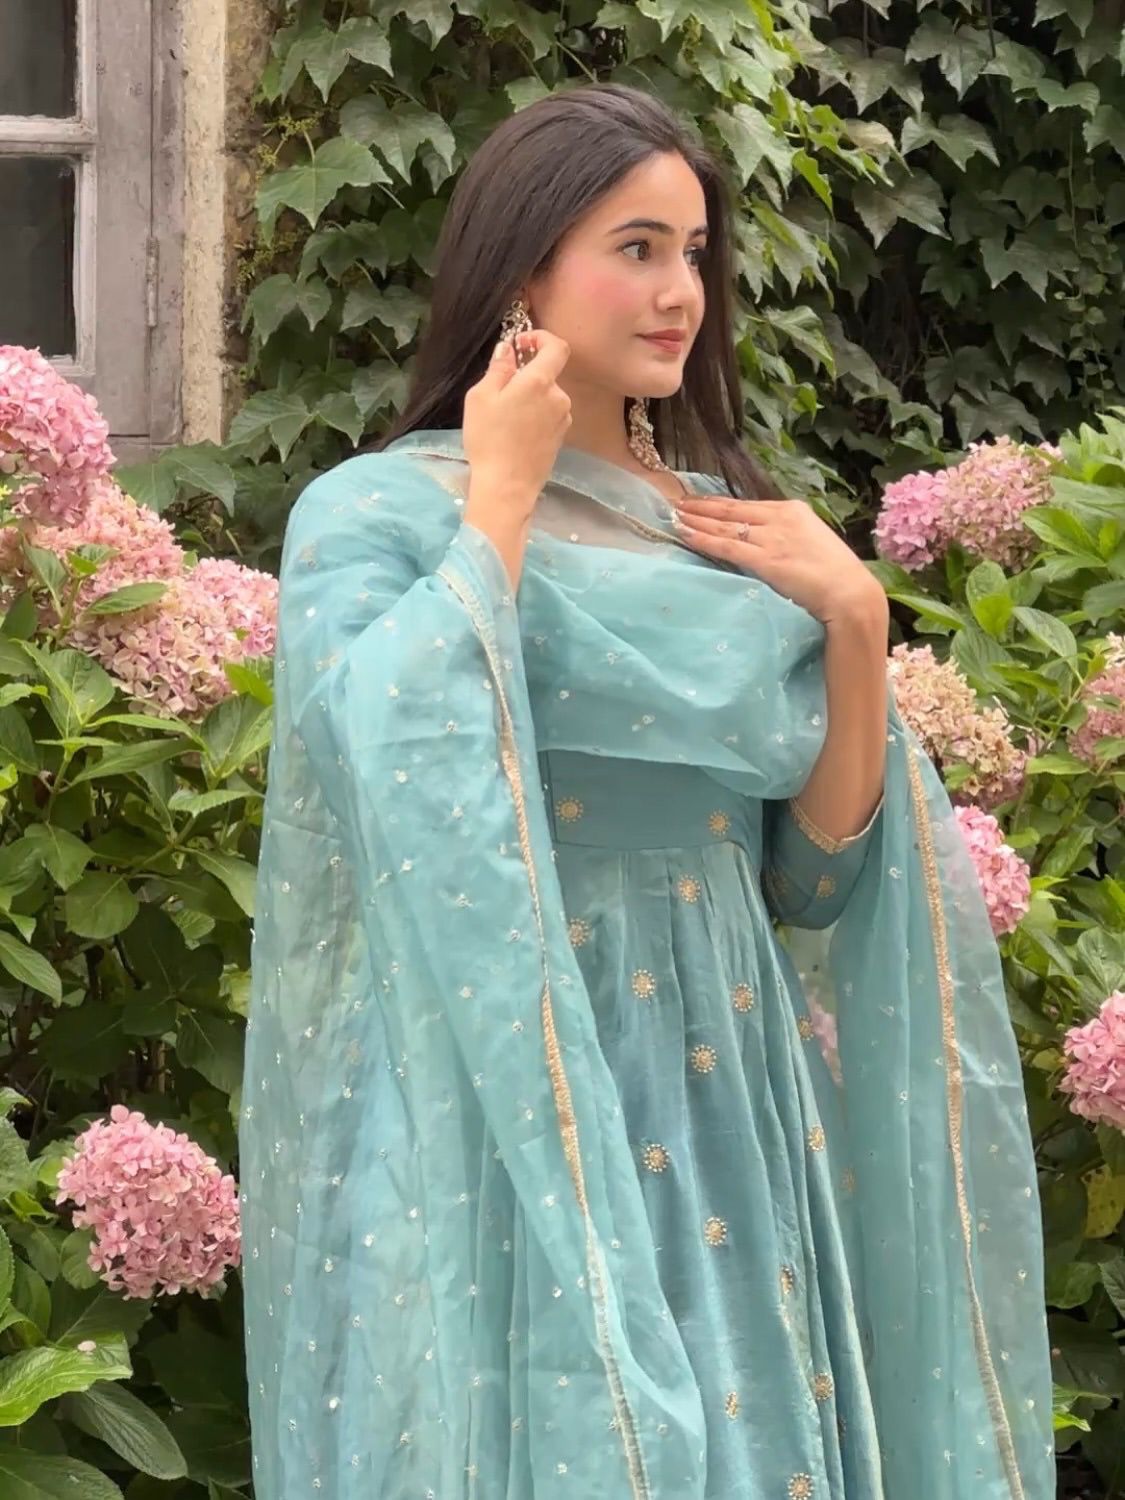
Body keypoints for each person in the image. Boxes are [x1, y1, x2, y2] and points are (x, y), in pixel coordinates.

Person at [240, 84, 1053, 1500]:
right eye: (636, 248)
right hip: (493, 1074)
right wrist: (498, 502)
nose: (681, 292)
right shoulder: (376, 516)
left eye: (693, 252)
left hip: (724, 1084)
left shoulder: (727, 528)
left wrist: (855, 623)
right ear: (522, 270)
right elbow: (384, 777)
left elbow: (811, 886)